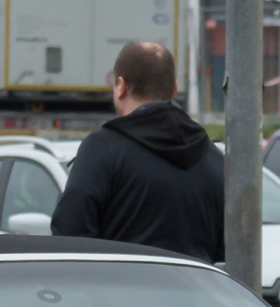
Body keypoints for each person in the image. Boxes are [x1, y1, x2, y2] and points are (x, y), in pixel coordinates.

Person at [50, 41, 225, 261]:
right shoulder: (213, 157)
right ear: (173, 88)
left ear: (121, 86)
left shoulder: (103, 148)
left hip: (121, 291)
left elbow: (69, 231)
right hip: (194, 292)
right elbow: (225, 246)